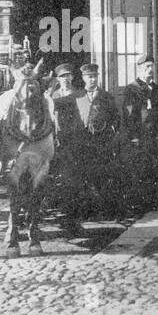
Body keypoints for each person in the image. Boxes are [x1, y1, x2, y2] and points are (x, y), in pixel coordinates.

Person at [121, 53, 158, 212]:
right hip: (140, 136)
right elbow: (129, 115)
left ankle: (153, 201)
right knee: (140, 169)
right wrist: (133, 137)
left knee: (155, 168)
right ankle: (139, 204)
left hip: (155, 136)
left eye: (151, 67)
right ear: (139, 69)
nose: (150, 70)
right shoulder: (132, 89)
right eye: (146, 67)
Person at [75, 62, 121, 219]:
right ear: (83, 78)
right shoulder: (78, 97)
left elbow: (116, 118)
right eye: (89, 77)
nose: (92, 80)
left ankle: (104, 209)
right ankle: (87, 210)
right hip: (83, 143)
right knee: (85, 175)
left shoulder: (106, 97)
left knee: (102, 174)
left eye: (94, 77)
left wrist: (111, 131)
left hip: (102, 142)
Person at [49, 62, 84, 235]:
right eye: (62, 76)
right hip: (57, 143)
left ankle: (73, 220)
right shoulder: (52, 95)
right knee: (56, 180)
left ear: (73, 77)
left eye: (68, 76)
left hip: (74, 143)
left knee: (73, 181)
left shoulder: (79, 94)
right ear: (57, 79)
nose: (66, 79)